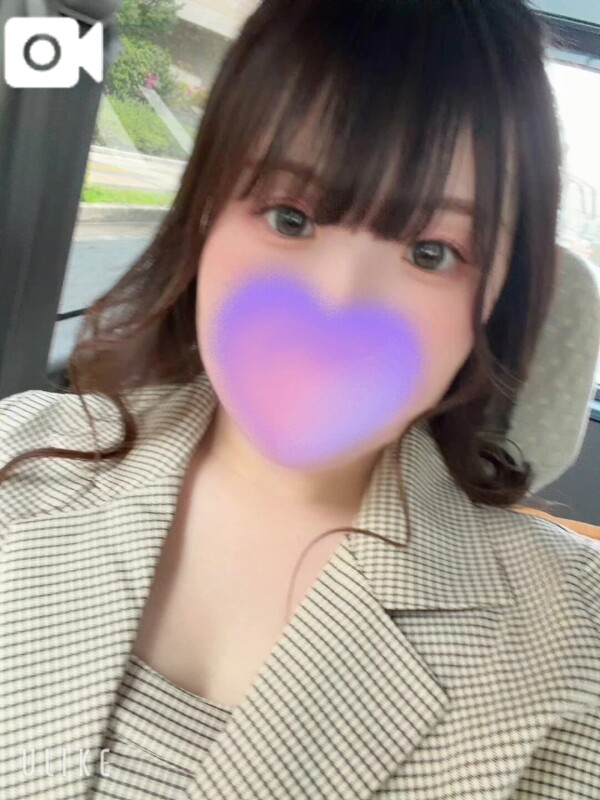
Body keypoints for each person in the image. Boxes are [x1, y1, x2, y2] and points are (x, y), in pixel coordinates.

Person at [1, 1, 599, 798]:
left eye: (431, 252)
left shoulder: (572, 635)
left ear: (495, 298)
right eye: (291, 218)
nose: (338, 306)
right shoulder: (15, 452)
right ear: (206, 214)